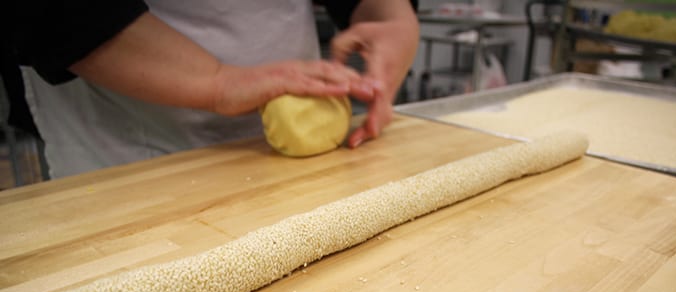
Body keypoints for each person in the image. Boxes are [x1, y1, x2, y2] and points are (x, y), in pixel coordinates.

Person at [4, 0, 419, 178]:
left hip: (301, 93)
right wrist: (216, 81)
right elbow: (50, 11)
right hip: (127, 123)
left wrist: (392, 16)